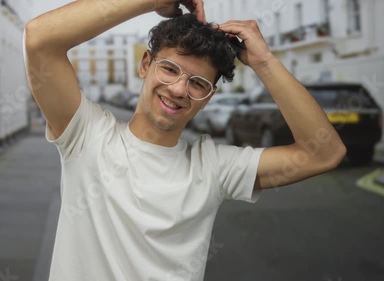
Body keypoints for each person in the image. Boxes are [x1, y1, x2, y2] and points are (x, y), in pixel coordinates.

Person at [23, 0, 346, 280]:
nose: (179, 89)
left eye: (197, 83)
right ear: (146, 65)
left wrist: (264, 62)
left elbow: (324, 154)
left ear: (208, 97)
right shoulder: (86, 135)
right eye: (169, 68)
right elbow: (40, 38)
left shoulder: (214, 167)